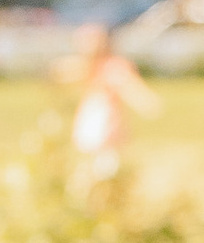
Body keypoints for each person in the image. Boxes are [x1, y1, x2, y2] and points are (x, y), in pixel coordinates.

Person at [63, 22, 154, 181]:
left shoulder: (109, 67)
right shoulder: (96, 66)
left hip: (101, 119)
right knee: (103, 160)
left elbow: (129, 87)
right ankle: (101, 184)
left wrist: (144, 101)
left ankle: (97, 184)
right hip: (100, 119)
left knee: (102, 159)